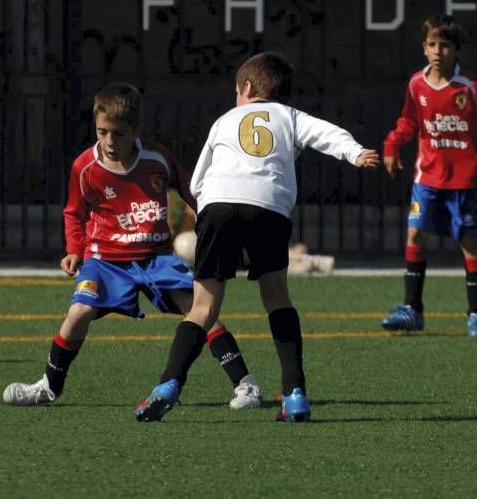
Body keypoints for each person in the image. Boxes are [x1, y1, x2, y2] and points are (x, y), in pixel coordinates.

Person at [134, 52, 380, 422]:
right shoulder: (291, 116)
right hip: (268, 207)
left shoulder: (223, 120)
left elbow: (199, 180)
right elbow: (327, 134)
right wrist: (356, 153)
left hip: (218, 206)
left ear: (246, 88)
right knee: (277, 297)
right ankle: (295, 394)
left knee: (203, 308)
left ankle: (168, 384)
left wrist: (208, 214)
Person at [2, 82, 263, 409]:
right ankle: (48, 386)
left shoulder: (158, 159)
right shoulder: (84, 167)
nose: (109, 142)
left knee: (200, 309)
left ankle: (245, 383)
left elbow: (192, 192)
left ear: (136, 130)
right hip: (103, 260)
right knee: (78, 311)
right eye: (102, 132)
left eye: (118, 134)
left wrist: (210, 221)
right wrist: (73, 249)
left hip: (157, 258)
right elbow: (74, 212)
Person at [380, 15, 477, 337]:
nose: (437, 51)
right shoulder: (417, 84)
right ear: (424, 49)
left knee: (470, 244)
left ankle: (476, 315)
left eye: (445, 45)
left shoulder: (468, 87)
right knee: (415, 236)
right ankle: (413, 310)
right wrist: (392, 145)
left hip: (464, 182)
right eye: (431, 44)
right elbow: (408, 122)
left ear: (456, 51)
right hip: (426, 178)